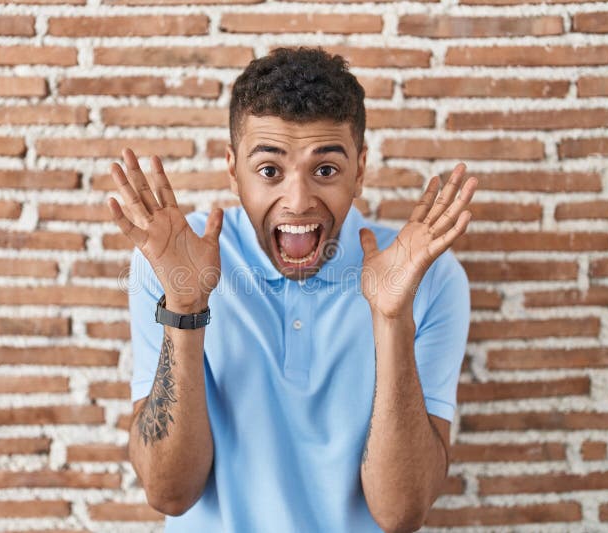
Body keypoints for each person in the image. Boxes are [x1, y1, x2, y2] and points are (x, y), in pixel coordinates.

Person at [106, 46, 476, 533]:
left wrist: (391, 318)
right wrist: (186, 304)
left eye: (325, 170)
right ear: (232, 168)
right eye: (269, 171)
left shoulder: (429, 274)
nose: (298, 201)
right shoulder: (172, 258)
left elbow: (401, 512)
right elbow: (169, 493)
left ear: (360, 170)